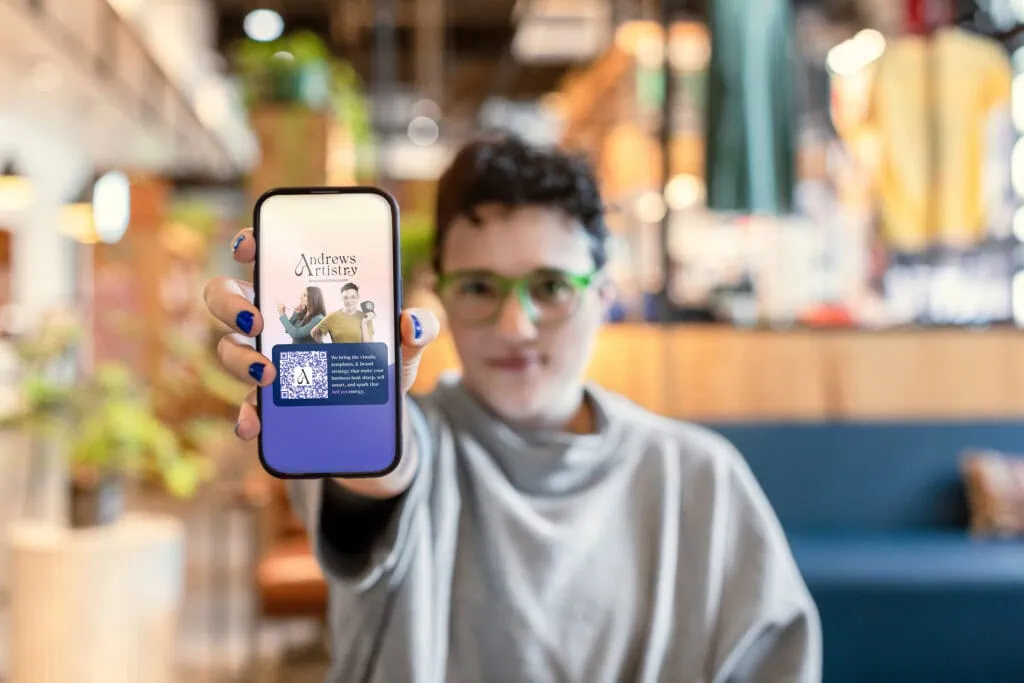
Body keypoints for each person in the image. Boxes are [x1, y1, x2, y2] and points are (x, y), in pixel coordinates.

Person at [204, 134, 822, 683]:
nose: (514, 326)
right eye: (478, 288)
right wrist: (342, 401)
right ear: (439, 296)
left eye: (551, 287)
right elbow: (383, 474)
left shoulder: (698, 477)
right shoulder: (413, 439)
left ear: (604, 296)